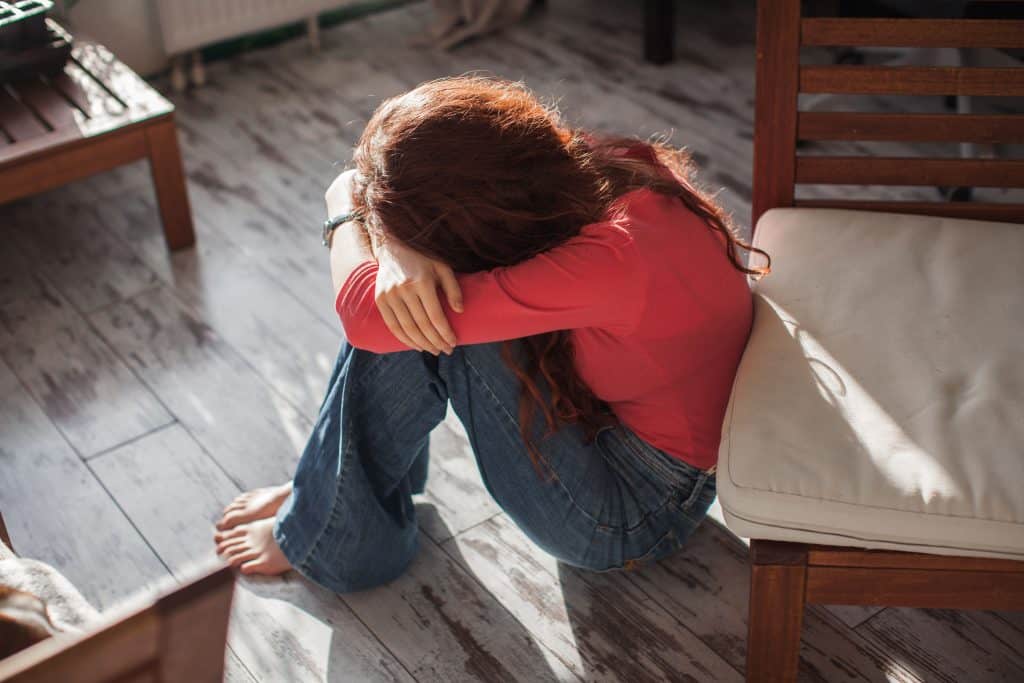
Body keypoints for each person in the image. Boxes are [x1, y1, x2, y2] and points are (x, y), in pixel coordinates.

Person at [212, 76, 768, 592]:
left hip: (638, 509)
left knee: (417, 315)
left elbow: (365, 320)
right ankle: (335, 491)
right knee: (418, 305)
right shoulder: (583, 173)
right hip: (633, 437)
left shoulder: (613, 261)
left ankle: (341, 533)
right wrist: (399, 243)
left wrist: (344, 202)